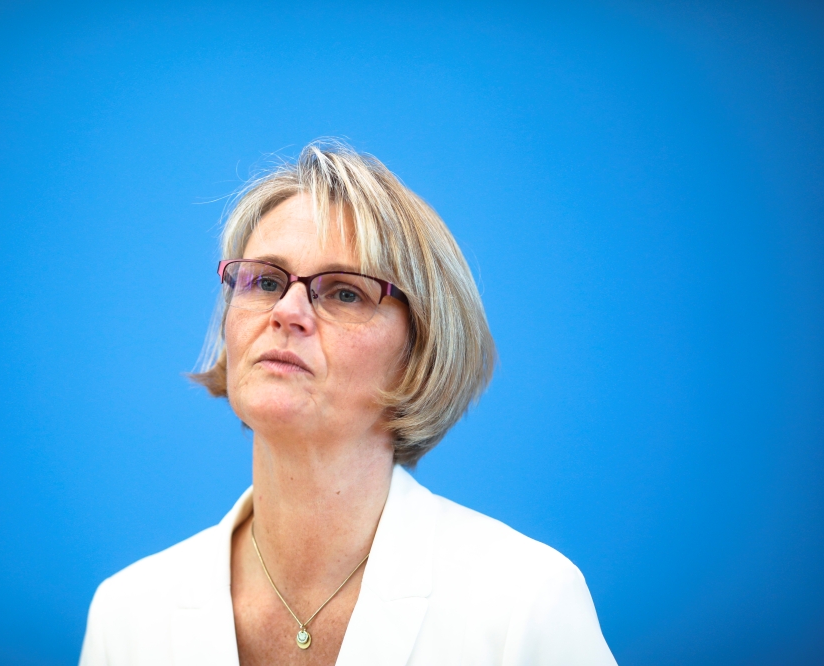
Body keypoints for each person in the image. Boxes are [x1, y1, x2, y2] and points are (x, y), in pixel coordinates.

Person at [78, 140, 617, 666]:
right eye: (265, 281)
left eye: (344, 292)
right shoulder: (127, 616)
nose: (287, 312)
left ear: (420, 352)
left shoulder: (526, 604)